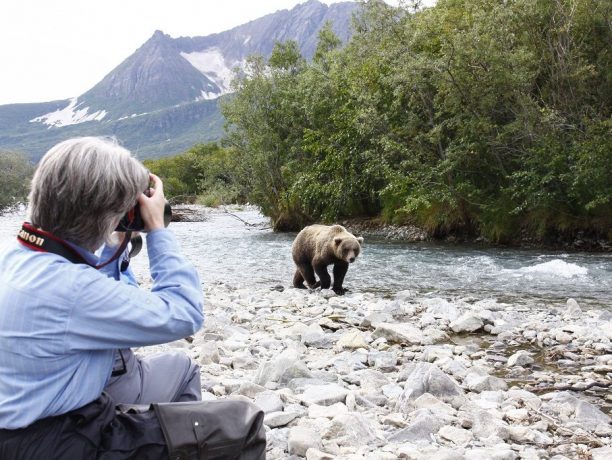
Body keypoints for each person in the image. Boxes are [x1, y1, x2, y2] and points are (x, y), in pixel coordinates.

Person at [0, 137, 266, 459]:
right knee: (243, 424)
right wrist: (157, 231)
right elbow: (183, 313)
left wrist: (114, 247)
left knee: (176, 370)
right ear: (104, 215)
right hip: (61, 440)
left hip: (30, 427)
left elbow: (98, 298)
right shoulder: (72, 288)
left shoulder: (18, 259)